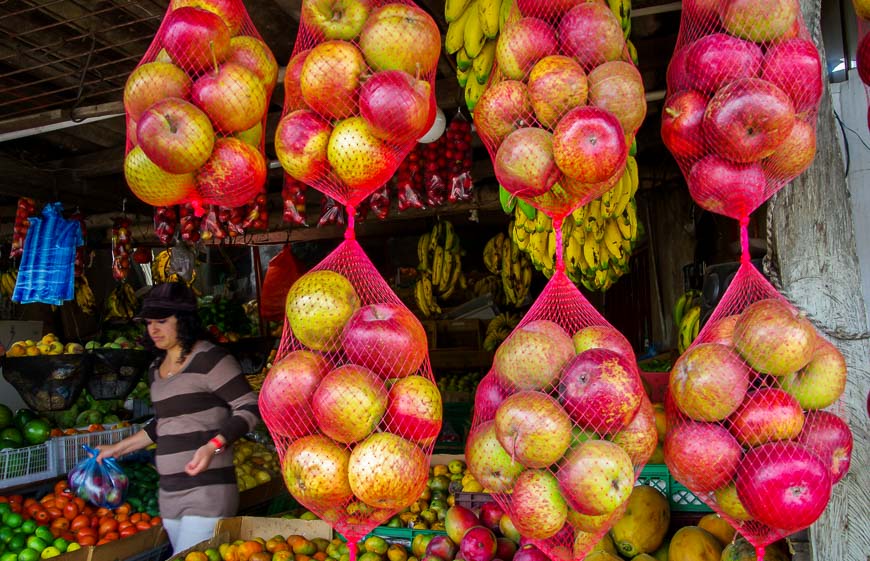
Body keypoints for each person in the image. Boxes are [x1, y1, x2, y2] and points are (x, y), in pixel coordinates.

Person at [97, 282, 260, 554]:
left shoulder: (211, 359)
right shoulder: (155, 369)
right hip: (170, 496)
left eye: (162, 320)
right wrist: (117, 448)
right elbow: (164, 424)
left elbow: (250, 406)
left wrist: (214, 446)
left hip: (207, 493)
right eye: (149, 322)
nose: (153, 329)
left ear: (183, 320)